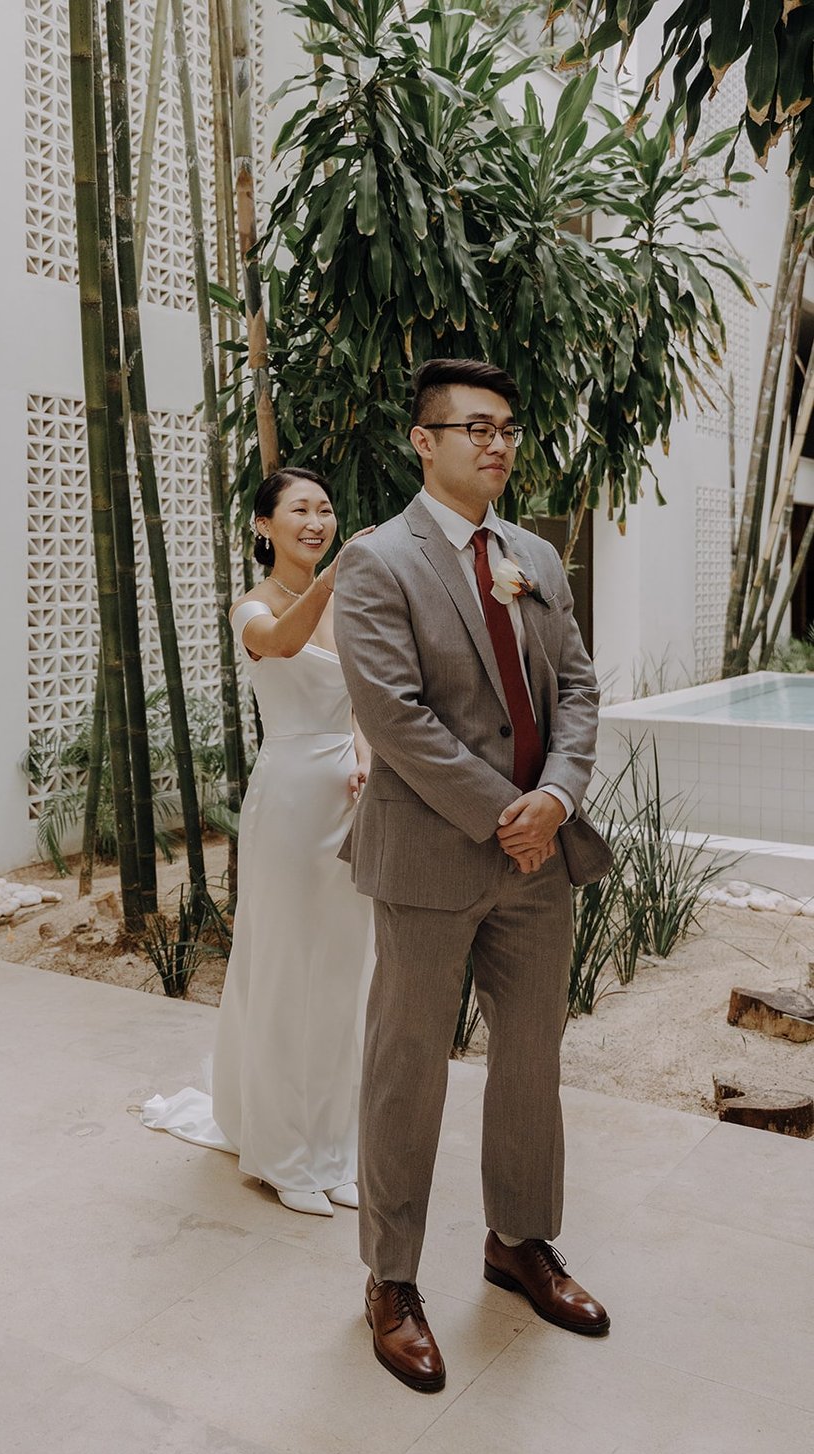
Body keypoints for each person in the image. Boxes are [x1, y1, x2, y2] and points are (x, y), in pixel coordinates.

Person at [332, 359, 614, 1393]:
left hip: (537, 861)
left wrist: (558, 798)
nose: (495, 445)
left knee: (530, 1061)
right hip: (431, 858)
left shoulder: (533, 552)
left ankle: (520, 1242)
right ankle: (391, 1279)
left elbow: (577, 684)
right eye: (472, 427)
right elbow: (394, 716)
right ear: (423, 441)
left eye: (506, 428)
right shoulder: (377, 562)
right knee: (406, 1070)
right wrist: (505, 812)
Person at [142, 467, 374, 1217]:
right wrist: (334, 578)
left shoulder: (350, 603)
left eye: (327, 508)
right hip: (288, 802)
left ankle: (332, 1146)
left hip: (348, 797)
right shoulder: (253, 606)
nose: (317, 519)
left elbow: (366, 697)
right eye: (300, 509)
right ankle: (280, 1153)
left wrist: (366, 753)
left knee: (343, 972)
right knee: (286, 970)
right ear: (263, 526)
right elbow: (279, 643)